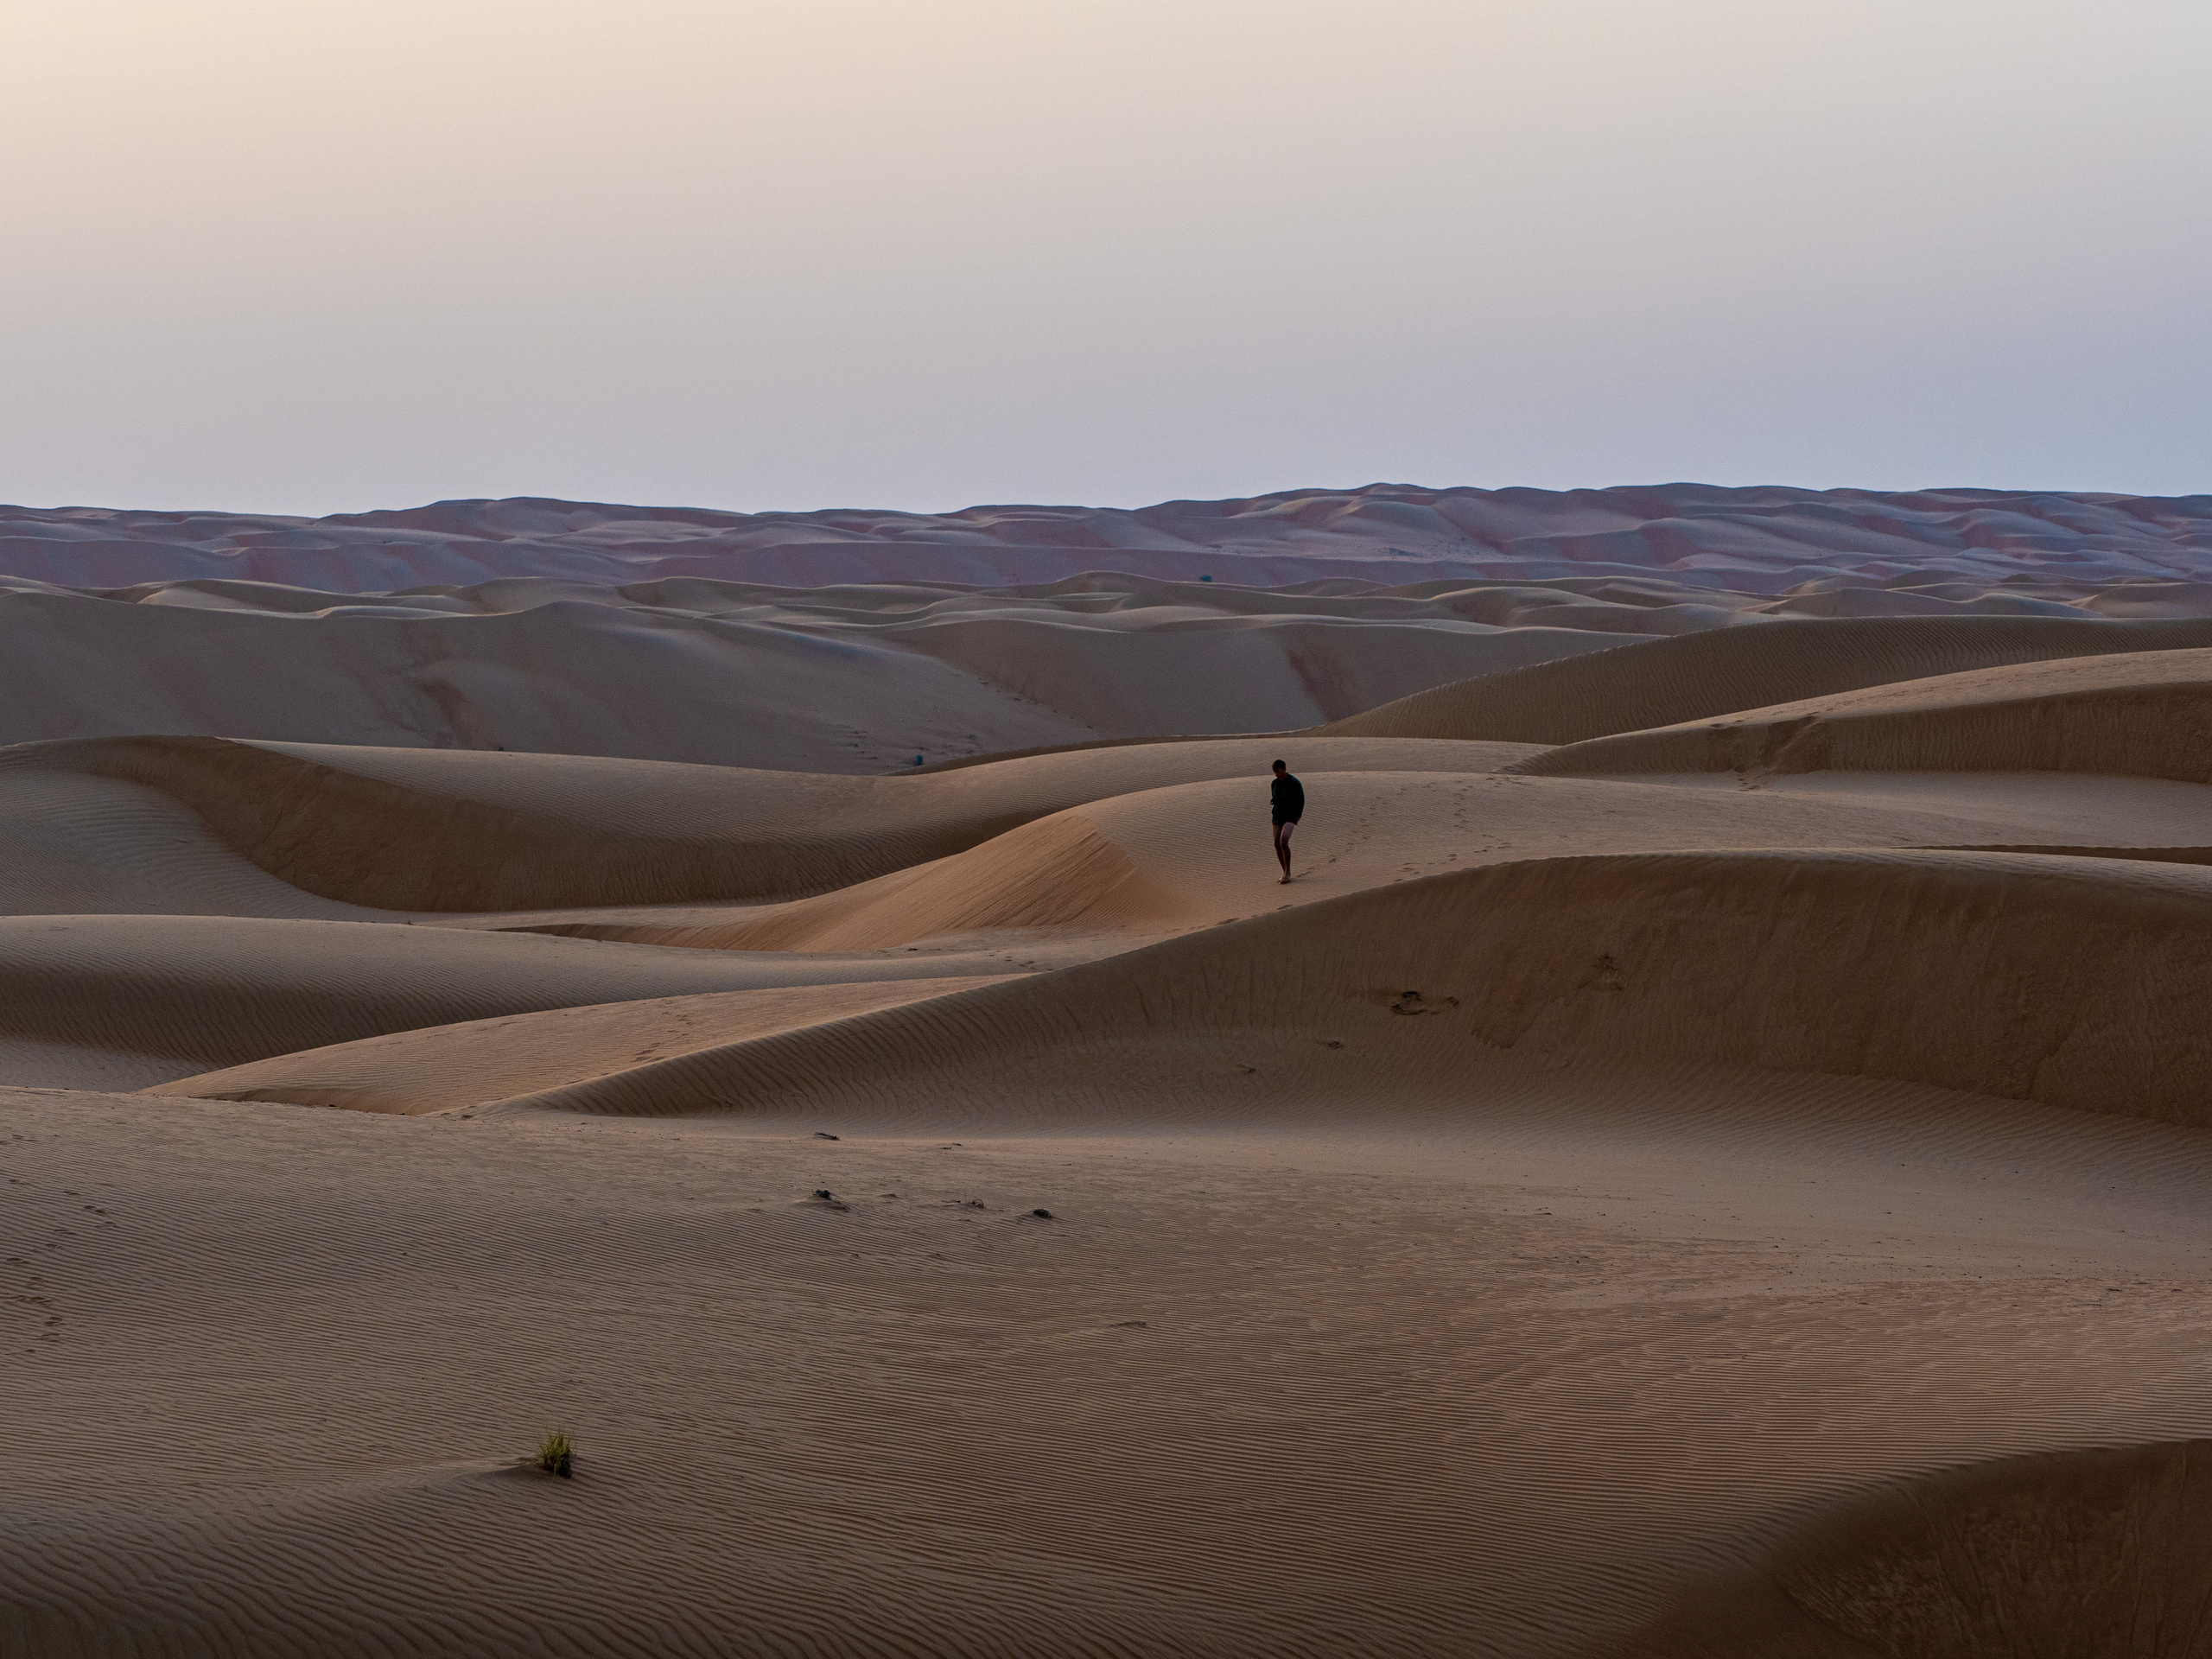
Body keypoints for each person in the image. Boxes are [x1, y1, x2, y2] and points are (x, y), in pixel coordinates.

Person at [1269, 759, 1304, 884]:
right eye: (1275, 772)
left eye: (1278, 771)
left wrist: (1298, 816)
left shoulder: (1294, 782)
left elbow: (1301, 800)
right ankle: (1284, 872)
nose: (1276, 774)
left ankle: (1288, 872)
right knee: (1276, 842)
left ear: (1284, 769)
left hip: (1290, 816)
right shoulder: (1274, 783)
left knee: (1284, 840)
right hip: (1277, 816)